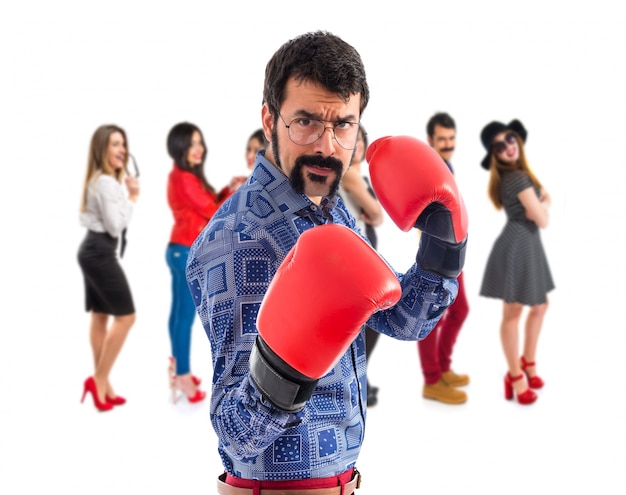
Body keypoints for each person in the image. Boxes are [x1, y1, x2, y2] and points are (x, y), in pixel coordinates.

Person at [186, 30, 467, 494]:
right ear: (268, 118)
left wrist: (443, 250)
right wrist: (283, 371)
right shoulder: (240, 241)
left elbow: (403, 318)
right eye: (306, 122)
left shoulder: (328, 207)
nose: (326, 146)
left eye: (343, 125)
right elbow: (235, 434)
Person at [165, 121, 244, 404]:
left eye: (200, 143)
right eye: (192, 144)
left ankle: (178, 366)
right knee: (185, 317)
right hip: (185, 250)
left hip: (179, 249)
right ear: (179, 147)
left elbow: (208, 204)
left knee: (178, 314)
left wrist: (228, 189)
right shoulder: (183, 179)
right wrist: (234, 193)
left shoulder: (185, 177)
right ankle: (183, 376)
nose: (199, 149)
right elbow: (212, 212)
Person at [479, 119, 554, 405]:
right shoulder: (518, 179)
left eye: (510, 139)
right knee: (513, 314)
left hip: (526, 243)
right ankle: (515, 375)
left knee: (540, 305)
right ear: (495, 155)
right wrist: (545, 201)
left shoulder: (520, 176)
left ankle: (528, 363)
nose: (508, 146)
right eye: (499, 145)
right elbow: (543, 219)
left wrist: (540, 199)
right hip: (518, 245)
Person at [77, 124, 140, 412]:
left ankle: (104, 385)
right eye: (115, 144)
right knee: (126, 317)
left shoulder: (100, 180)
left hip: (92, 249)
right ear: (102, 148)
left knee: (101, 315)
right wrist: (133, 198)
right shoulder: (105, 183)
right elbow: (115, 226)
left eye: (123, 144)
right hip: (100, 251)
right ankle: (98, 379)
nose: (122, 150)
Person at [418, 112, 470, 405]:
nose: (448, 144)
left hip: (452, 252)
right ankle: (432, 380)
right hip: (436, 255)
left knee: (459, 310)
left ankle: (443, 368)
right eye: (442, 139)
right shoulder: (430, 169)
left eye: (451, 139)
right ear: (431, 140)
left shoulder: (445, 165)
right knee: (432, 318)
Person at [338, 124, 384, 406]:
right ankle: (354, 382)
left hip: (363, 253)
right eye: (351, 141)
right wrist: (372, 210)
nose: (356, 147)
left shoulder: (353, 175)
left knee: (364, 322)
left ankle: (358, 380)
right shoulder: (349, 173)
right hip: (357, 259)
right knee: (372, 319)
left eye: (360, 142)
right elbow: (377, 214)